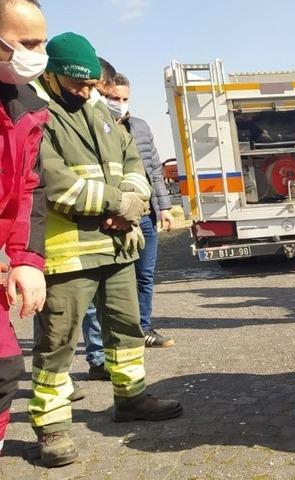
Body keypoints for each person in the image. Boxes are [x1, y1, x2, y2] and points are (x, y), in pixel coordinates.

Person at [30, 32, 182, 467]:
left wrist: (132, 204)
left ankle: (131, 398)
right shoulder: (36, 112)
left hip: (117, 245)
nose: (86, 92)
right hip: (69, 252)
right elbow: (54, 182)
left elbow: (133, 163)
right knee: (57, 343)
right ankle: (52, 426)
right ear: (53, 75)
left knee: (126, 330)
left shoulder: (99, 110)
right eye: (78, 85)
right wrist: (120, 204)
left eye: (91, 85)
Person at [81, 72, 175, 384]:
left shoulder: (141, 128)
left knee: (144, 277)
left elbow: (154, 171)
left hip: (143, 215)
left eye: (124, 99)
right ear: (102, 95)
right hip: (108, 217)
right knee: (97, 289)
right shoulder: (90, 126)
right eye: (113, 98)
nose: (119, 104)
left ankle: (142, 330)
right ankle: (98, 356)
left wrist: (164, 207)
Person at [0, 0, 48, 456]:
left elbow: (30, 187)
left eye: (42, 43)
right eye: (27, 43)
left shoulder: (27, 108)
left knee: (4, 372)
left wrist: (26, 258)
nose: (38, 55)